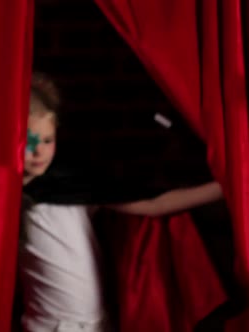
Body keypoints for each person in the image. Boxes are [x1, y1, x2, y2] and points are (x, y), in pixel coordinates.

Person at [19, 72, 223, 332]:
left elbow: (152, 204)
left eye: (48, 140)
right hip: (48, 326)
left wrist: (225, 188)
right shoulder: (6, 197)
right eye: (30, 142)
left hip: (98, 323)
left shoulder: (69, 184)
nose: (39, 152)